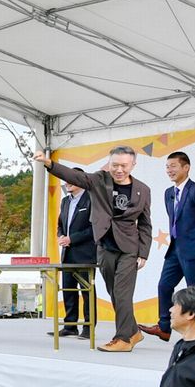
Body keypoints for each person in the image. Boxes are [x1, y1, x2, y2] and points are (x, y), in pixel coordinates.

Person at [36, 146, 152, 352]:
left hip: (129, 248)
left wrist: (143, 252)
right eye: (114, 165)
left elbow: (144, 224)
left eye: (124, 166)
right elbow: (76, 176)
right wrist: (50, 164)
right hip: (105, 248)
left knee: (123, 293)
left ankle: (123, 339)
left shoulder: (143, 190)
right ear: (109, 163)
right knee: (114, 293)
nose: (119, 169)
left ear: (133, 165)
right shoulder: (99, 180)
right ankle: (133, 331)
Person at [139, 151, 195, 343]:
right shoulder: (168, 193)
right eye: (167, 166)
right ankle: (164, 327)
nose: (169, 170)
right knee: (164, 285)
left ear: (186, 167)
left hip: (194, 248)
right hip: (175, 249)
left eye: (173, 166)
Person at [48, 181, 95, 339]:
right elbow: (61, 224)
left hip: (85, 254)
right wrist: (61, 235)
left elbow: (94, 228)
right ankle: (70, 326)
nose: (67, 183)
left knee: (87, 291)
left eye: (71, 180)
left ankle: (88, 328)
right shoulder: (65, 201)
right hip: (67, 254)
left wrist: (72, 239)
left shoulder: (91, 199)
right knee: (68, 290)